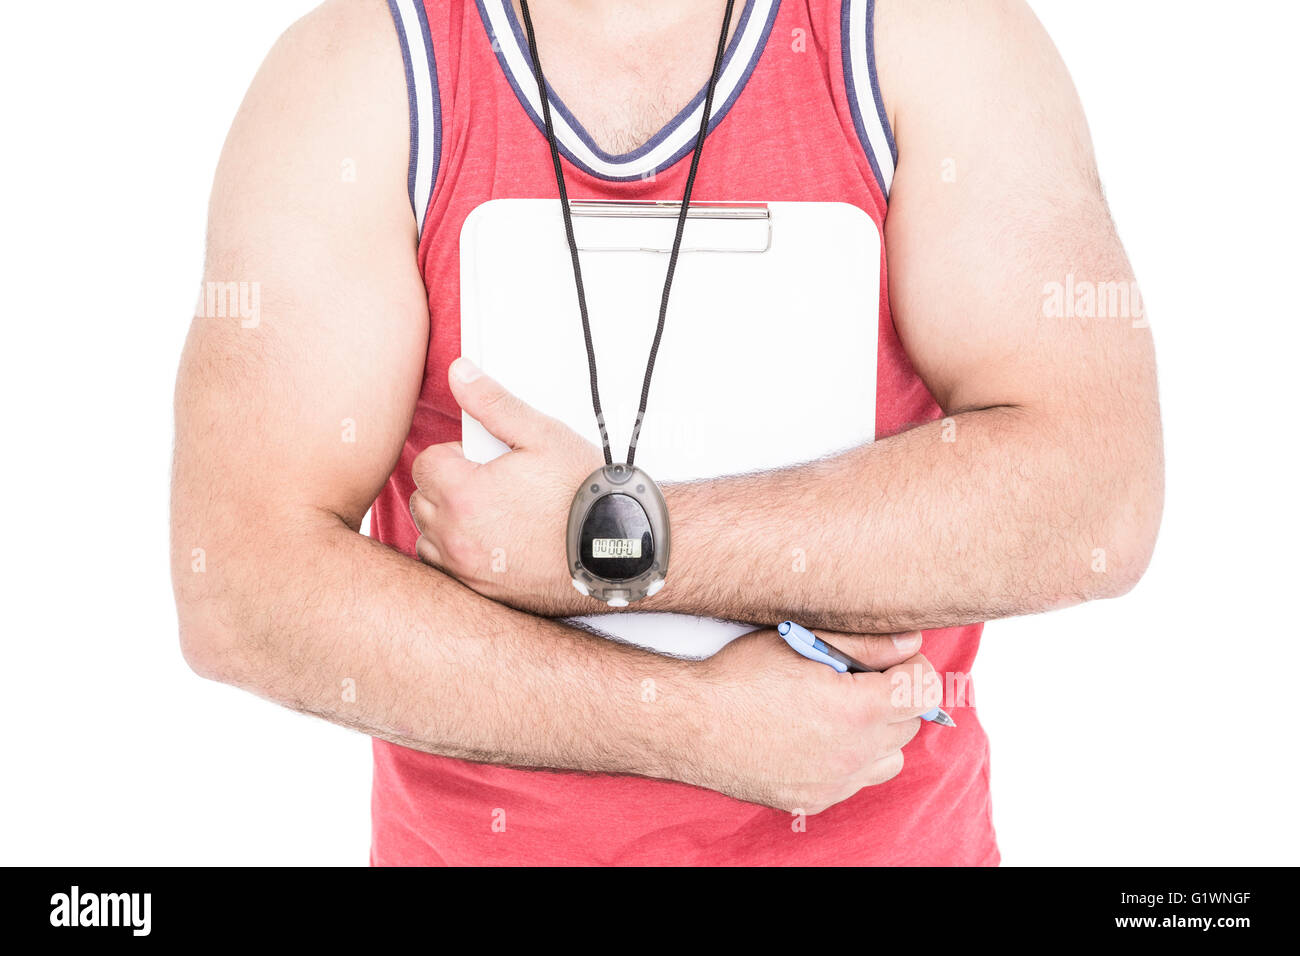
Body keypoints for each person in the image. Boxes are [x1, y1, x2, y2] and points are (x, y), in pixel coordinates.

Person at [171, 0, 1163, 865]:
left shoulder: (935, 38)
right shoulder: (352, 77)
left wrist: (600, 548)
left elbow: (1097, 490)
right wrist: (692, 724)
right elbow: (244, 582)